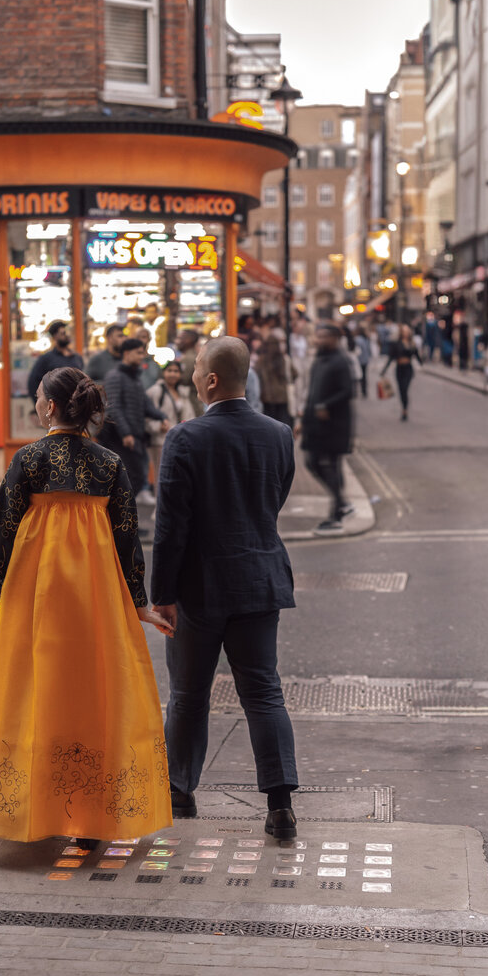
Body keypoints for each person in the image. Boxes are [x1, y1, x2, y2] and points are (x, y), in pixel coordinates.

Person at [0, 367, 174, 847]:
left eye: (39, 396)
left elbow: (1, 534)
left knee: (32, 691)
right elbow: (128, 538)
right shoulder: (108, 463)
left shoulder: (29, 458)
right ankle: (90, 817)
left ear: (50, 407)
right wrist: (139, 605)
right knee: (92, 692)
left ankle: (34, 810)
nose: (37, 402)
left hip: (34, 593)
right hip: (96, 595)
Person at [150, 336, 299, 840]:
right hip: (259, 580)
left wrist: (161, 593)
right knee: (263, 693)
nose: (191, 375)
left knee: (188, 694)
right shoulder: (279, 434)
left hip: (199, 589)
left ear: (212, 379)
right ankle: (280, 806)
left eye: (195, 368)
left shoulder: (185, 438)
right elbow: (273, 501)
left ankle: (179, 791)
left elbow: (170, 526)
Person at [301, 323, 355, 535]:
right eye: (318, 336)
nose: (320, 340)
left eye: (324, 337)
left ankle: (337, 512)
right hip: (315, 423)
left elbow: (348, 391)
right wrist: (303, 418)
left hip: (334, 425)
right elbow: (312, 391)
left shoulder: (341, 361)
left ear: (335, 339)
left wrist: (326, 405)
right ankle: (341, 504)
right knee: (312, 462)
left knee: (329, 464)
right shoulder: (319, 360)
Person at [101, 338, 169, 504]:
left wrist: (162, 417)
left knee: (134, 479)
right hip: (120, 438)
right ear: (127, 353)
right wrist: (126, 433)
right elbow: (114, 408)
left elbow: (145, 404)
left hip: (135, 436)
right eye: (138, 352)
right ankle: (119, 521)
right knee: (131, 478)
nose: (142, 356)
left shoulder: (135, 377)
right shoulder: (114, 376)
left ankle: (124, 522)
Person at [147, 361, 195, 489]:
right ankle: (159, 507)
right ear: (163, 373)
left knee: (176, 476)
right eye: (169, 371)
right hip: (160, 440)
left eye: (176, 371)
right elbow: (147, 416)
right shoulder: (155, 391)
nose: (173, 374)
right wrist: (158, 426)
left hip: (179, 439)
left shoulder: (182, 392)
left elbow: (189, 414)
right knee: (160, 476)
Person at [26, 321, 83, 402]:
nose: (67, 335)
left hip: (76, 405)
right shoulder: (46, 359)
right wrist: (41, 406)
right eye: (63, 333)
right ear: (55, 336)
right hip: (57, 405)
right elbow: (33, 383)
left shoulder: (76, 358)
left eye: (67, 332)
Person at [381, 323, 422, 421]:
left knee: (405, 388)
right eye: (404, 331)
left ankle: (405, 409)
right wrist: (384, 370)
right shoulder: (396, 344)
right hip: (399, 368)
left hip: (408, 369)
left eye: (407, 332)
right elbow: (391, 358)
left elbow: (417, 356)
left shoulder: (412, 343)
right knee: (401, 390)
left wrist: (421, 364)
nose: (405, 333)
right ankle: (404, 408)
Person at [256, 334, 297, 427]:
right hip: (282, 398)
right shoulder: (284, 359)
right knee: (282, 426)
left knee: (269, 426)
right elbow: (294, 374)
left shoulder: (261, 360)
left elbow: (256, 377)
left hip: (267, 398)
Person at [175, 328, 203, 415]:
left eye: (180, 338)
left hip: (191, 403)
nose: (176, 341)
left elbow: (184, 380)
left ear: (188, 340)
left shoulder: (189, 359)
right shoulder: (191, 356)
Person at [354, 325, 372, 398]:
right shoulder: (359, 339)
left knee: (362, 376)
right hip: (361, 360)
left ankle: (363, 391)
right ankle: (362, 391)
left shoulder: (365, 339)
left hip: (363, 360)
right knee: (361, 376)